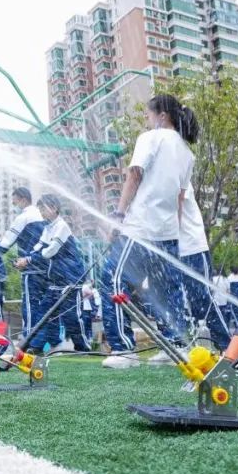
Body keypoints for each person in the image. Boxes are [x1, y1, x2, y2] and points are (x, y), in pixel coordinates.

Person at [98, 94, 194, 369]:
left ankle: (124, 349)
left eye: (148, 115)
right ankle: (174, 346)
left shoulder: (150, 138)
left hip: (140, 228)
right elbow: (180, 198)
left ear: (162, 115)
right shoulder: (187, 153)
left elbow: (134, 175)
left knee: (112, 280)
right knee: (167, 289)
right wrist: (175, 234)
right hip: (168, 234)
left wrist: (118, 215)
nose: (146, 120)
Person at [17, 194, 91, 352]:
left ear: (55, 208)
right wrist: (25, 258)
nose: (41, 212)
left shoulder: (62, 226)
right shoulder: (48, 228)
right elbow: (39, 247)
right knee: (44, 314)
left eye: (43, 209)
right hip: (56, 280)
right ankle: (36, 346)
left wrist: (29, 260)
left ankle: (82, 346)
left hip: (70, 279)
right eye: (40, 209)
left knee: (72, 317)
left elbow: (50, 251)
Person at [177, 183, 232, 352]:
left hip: (192, 248)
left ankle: (227, 347)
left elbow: (176, 203)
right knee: (175, 300)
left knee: (201, 299)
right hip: (172, 251)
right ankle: (179, 345)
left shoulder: (176, 170)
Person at [0, 187, 49, 345]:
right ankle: (46, 340)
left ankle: (29, 340)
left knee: (30, 304)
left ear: (23, 199)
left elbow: (5, 243)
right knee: (45, 305)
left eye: (15, 201)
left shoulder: (23, 217)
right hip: (47, 268)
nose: (14, 204)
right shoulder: (42, 216)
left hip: (31, 268)